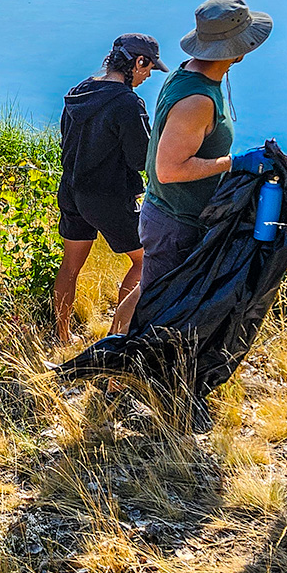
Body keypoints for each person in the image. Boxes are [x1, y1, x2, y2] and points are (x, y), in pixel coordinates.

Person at [140, 0, 274, 291]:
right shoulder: (197, 101)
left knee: (148, 294)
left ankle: (113, 336)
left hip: (168, 216)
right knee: (158, 310)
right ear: (237, 50)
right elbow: (169, 170)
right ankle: (119, 339)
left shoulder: (189, 71)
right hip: (175, 225)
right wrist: (234, 163)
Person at [53, 33, 168, 344]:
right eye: (149, 69)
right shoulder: (128, 103)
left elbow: (66, 139)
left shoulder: (80, 90)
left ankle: (62, 338)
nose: (147, 76)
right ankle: (116, 340)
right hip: (108, 197)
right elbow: (140, 159)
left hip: (72, 189)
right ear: (138, 62)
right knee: (145, 261)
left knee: (70, 266)